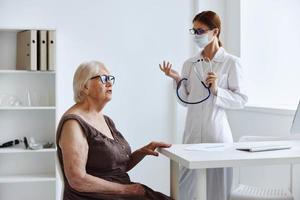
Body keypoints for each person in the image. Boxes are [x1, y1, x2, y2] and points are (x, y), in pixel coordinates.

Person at [159, 11, 248, 200]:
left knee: (217, 192)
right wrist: (177, 80)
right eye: (194, 31)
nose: (196, 35)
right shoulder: (189, 64)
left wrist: (217, 90)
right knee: (185, 191)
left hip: (217, 137)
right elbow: (185, 101)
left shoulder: (231, 63)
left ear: (215, 31)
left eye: (201, 31)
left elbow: (241, 99)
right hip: (192, 137)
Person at [56, 61, 173, 200]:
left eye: (110, 79)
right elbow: (77, 180)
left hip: (119, 192)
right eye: (103, 79)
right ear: (85, 87)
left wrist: (141, 152)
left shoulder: (106, 120)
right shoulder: (73, 124)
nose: (110, 83)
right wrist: (127, 190)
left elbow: (114, 168)